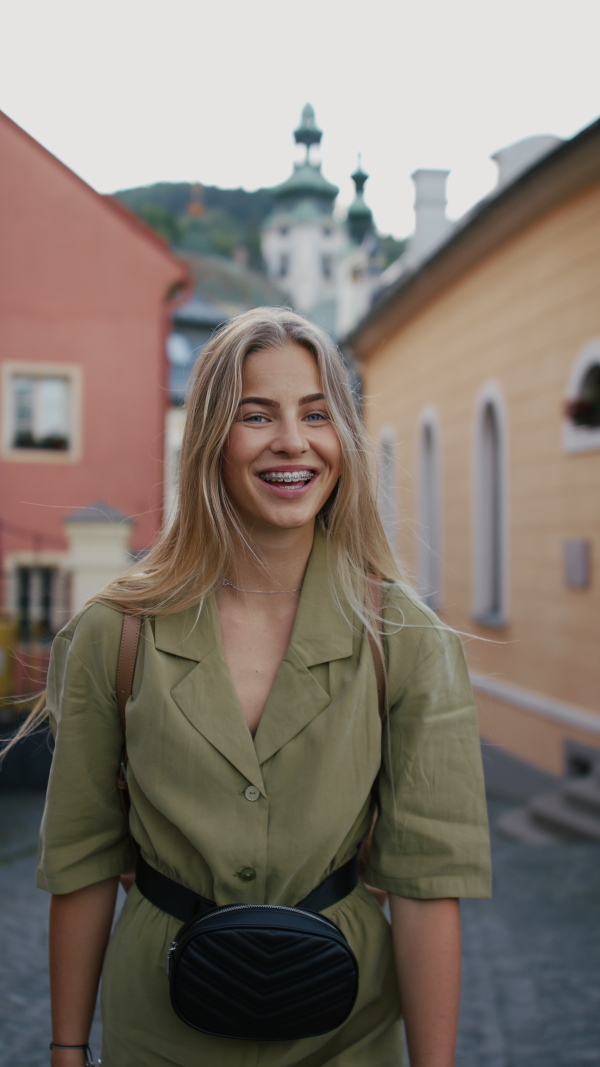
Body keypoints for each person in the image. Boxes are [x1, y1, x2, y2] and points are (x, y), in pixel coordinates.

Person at [33, 307, 490, 1067]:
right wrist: (67, 1048)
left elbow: (425, 880)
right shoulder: (114, 634)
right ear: (210, 437)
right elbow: (80, 861)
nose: (292, 441)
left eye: (317, 414)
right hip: (158, 1025)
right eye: (257, 414)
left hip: (344, 1028)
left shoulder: (408, 640)